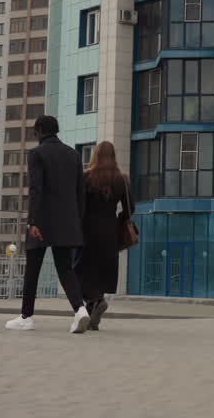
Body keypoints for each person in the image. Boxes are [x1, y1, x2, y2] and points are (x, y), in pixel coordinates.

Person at [5, 115, 91, 333]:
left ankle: (26, 317)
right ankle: (80, 310)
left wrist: (33, 221)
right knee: (65, 269)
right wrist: (77, 222)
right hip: (68, 222)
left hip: (41, 223)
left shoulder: (37, 154)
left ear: (40, 131)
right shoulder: (73, 155)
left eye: (35, 132)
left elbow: (36, 189)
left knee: (32, 269)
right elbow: (80, 193)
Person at [74, 141, 133, 331]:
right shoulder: (122, 179)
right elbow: (130, 208)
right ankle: (95, 305)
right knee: (102, 271)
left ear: (95, 155)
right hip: (110, 231)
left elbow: (79, 206)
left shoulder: (86, 177)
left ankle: (95, 301)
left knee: (81, 271)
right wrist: (118, 221)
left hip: (88, 230)